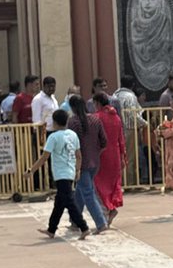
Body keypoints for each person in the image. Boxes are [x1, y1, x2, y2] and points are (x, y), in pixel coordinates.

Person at [28, 109, 88, 240]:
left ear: (54, 122)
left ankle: (83, 227)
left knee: (69, 202)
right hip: (70, 171)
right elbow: (79, 156)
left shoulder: (53, 137)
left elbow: (44, 157)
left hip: (61, 174)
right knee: (59, 203)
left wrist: (31, 170)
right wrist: (78, 170)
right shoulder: (73, 135)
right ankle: (51, 229)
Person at [67, 94, 109, 232]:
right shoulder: (95, 119)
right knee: (80, 191)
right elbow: (104, 141)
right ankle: (75, 220)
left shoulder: (73, 122)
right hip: (95, 162)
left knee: (87, 193)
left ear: (72, 107)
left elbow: (70, 144)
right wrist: (95, 152)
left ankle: (101, 223)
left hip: (81, 163)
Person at [93, 93, 127, 224]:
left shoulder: (96, 118)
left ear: (97, 103)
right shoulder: (116, 117)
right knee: (113, 184)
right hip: (115, 154)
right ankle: (110, 208)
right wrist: (123, 156)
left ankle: (107, 211)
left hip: (102, 155)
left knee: (99, 184)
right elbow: (121, 139)